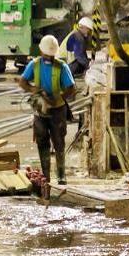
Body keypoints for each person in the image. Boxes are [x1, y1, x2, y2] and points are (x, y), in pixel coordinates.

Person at [18, 35, 76, 184]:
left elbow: (71, 88)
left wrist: (58, 98)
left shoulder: (62, 67)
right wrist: (34, 90)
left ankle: (61, 175)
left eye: (51, 55)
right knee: (42, 142)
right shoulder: (34, 65)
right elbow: (23, 82)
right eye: (46, 54)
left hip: (57, 110)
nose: (48, 57)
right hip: (40, 112)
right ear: (41, 51)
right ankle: (46, 176)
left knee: (59, 143)